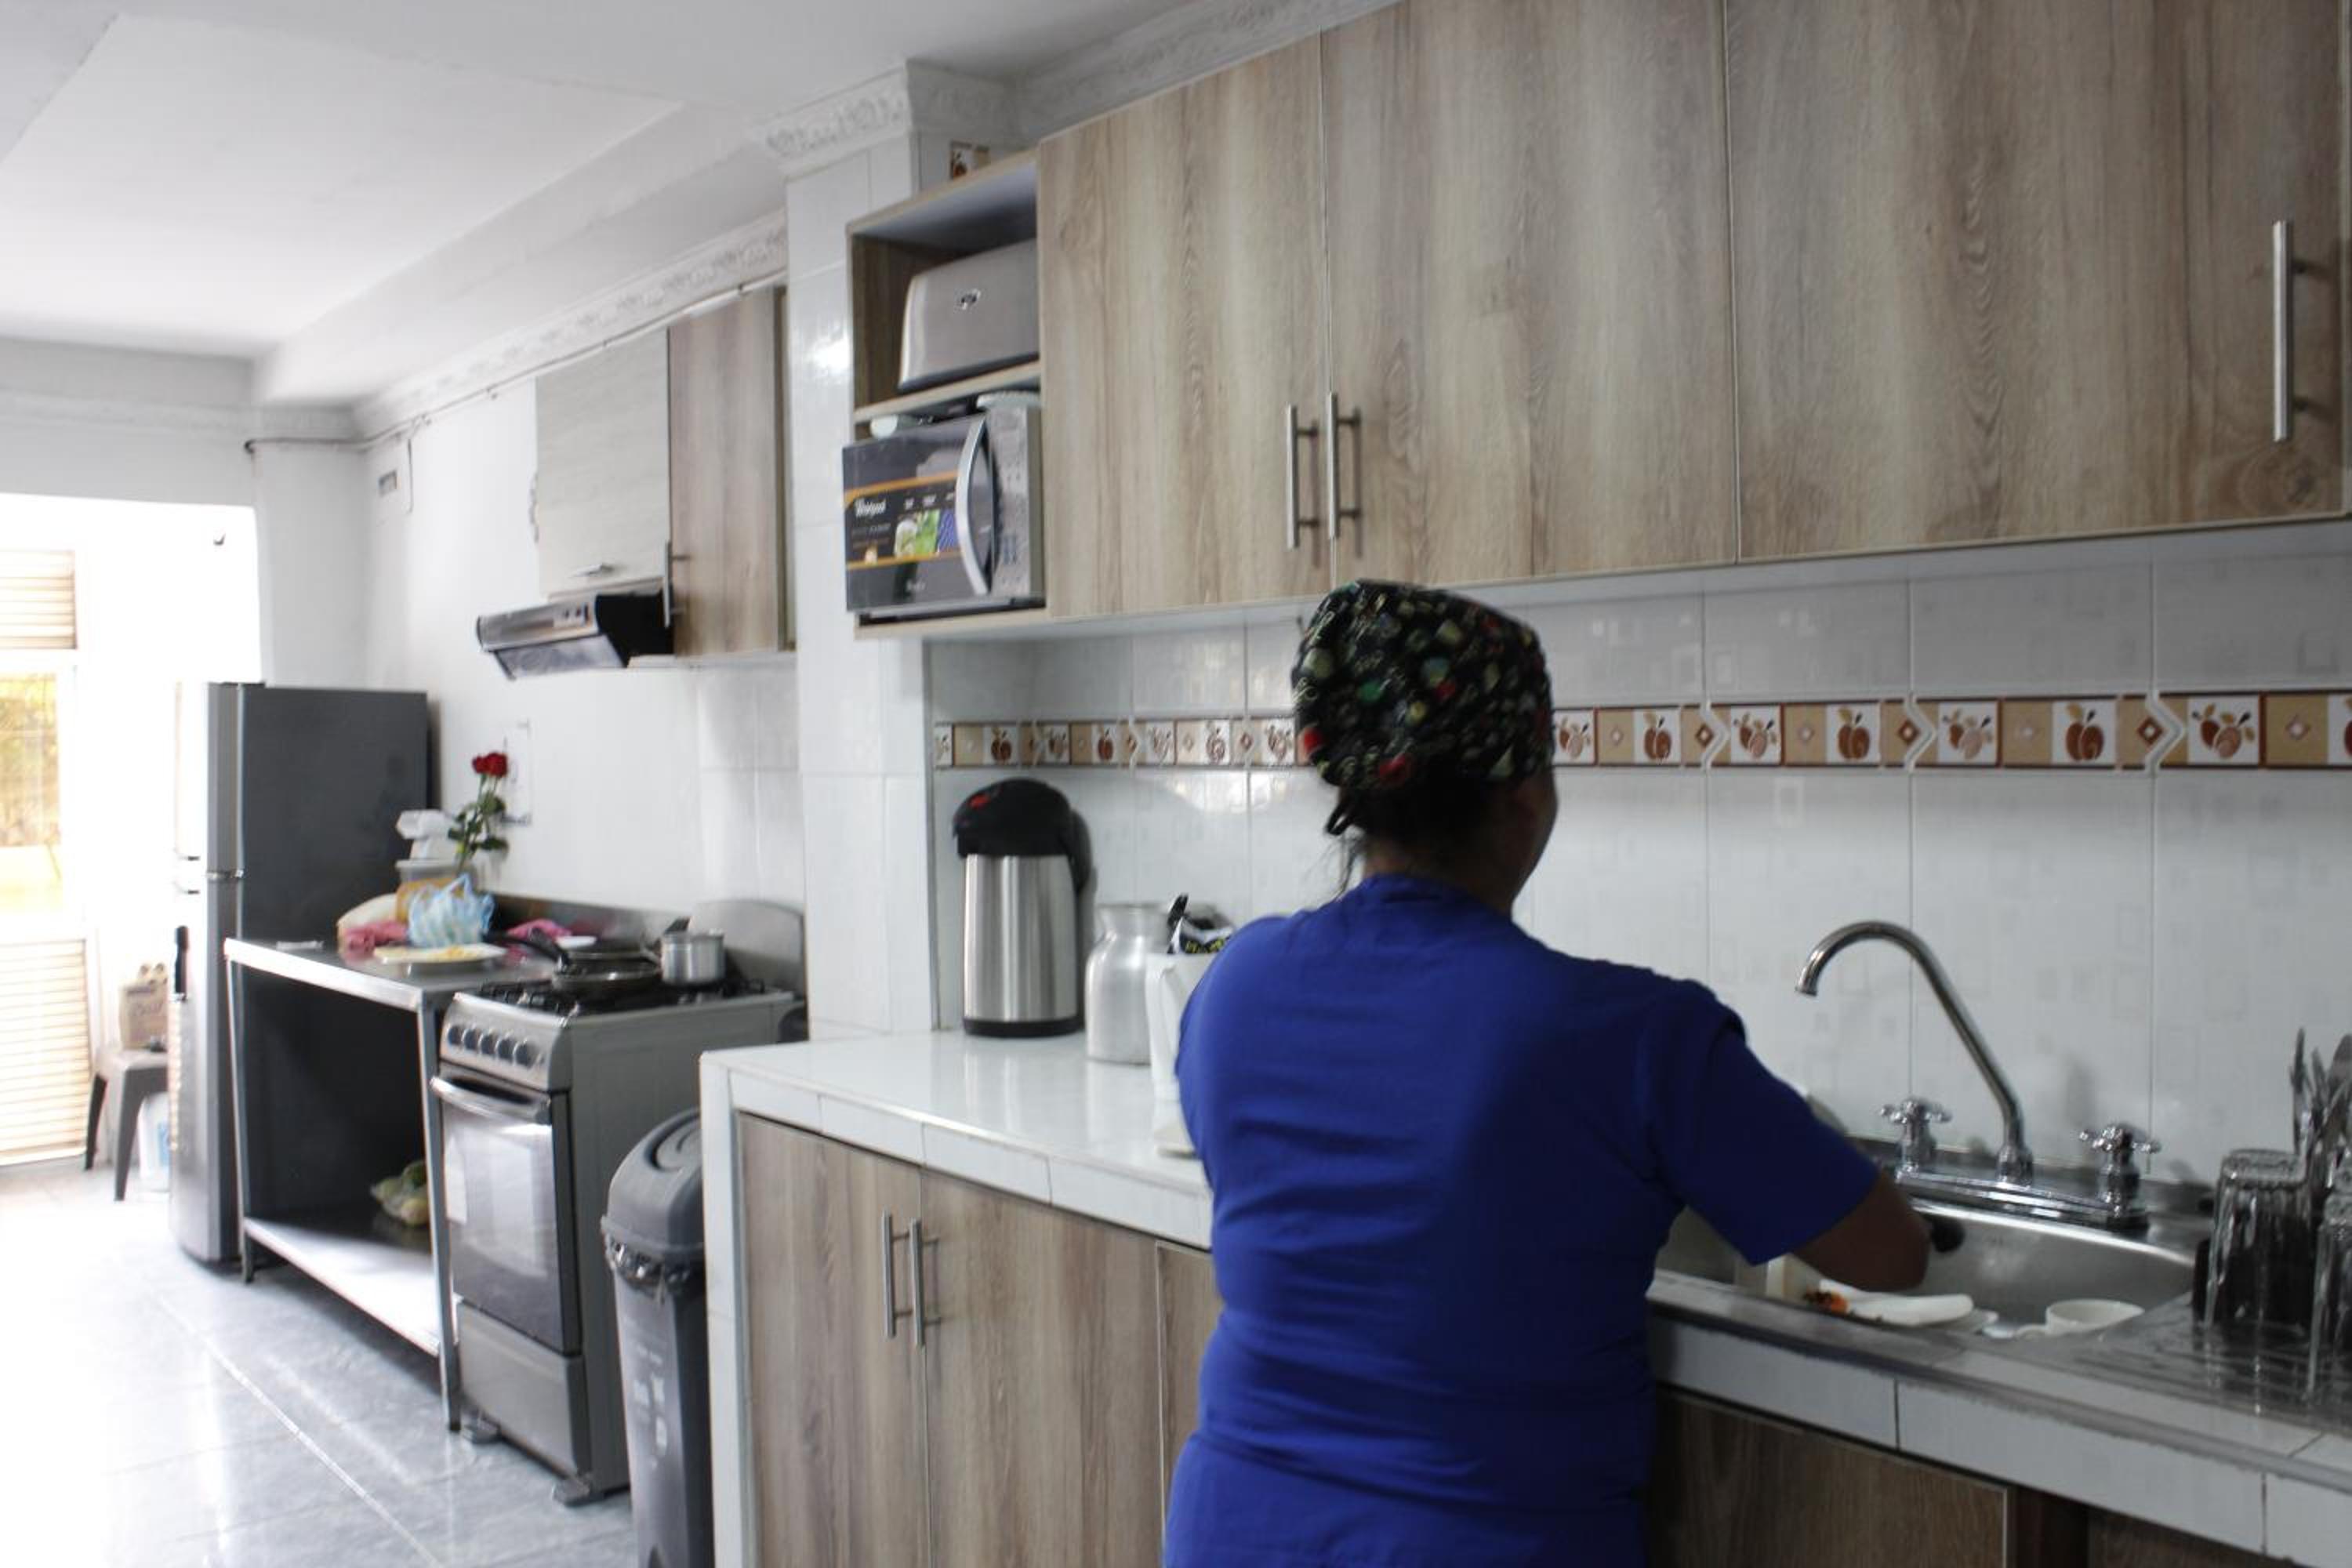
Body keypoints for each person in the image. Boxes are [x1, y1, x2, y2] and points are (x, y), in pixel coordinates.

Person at [1166, 581, 1928, 1567]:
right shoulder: (1635, 1038)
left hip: (1233, 1533)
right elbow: (1891, 1253)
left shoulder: (1235, 987)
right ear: (1526, 794)